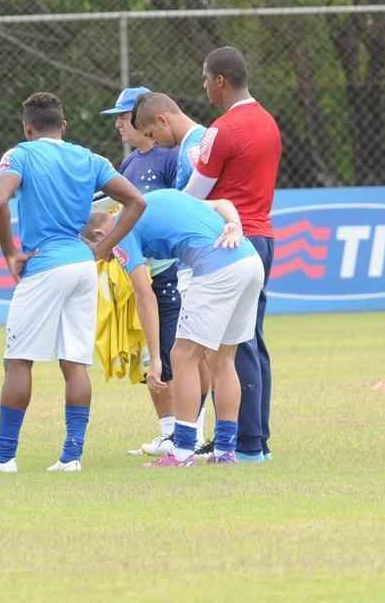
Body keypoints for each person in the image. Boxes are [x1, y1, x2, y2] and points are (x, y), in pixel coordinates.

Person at [0, 92, 146, 473]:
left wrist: (10, 253)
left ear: (27, 128)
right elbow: (136, 202)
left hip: (44, 265)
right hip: (82, 265)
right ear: (64, 125)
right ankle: (71, 456)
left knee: (18, 360)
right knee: (75, 362)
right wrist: (102, 248)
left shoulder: (21, 155)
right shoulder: (90, 158)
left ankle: (3, 456)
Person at [86, 189, 263, 466]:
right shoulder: (157, 199)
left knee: (182, 356)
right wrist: (234, 224)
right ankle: (225, 450)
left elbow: (144, 295)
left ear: (99, 236)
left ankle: (182, 451)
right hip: (249, 260)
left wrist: (156, 359)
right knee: (223, 359)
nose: (105, 260)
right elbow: (222, 203)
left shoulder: (121, 231)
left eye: (96, 253)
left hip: (217, 270)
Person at [189, 47, 281, 462]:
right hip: (262, 237)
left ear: (221, 81)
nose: (205, 86)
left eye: (206, 78)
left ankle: (244, 444)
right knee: (251, 342)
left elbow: (194, 195)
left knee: (231, 346)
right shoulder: (268, 122)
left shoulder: (222, 130)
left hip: (230, 241)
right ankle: (256, 440)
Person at [101, 87, 197, 457]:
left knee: (172, 350)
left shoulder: (170, 157)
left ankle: (186, 432)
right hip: (137, 266)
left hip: (167, 269)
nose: (119, 124)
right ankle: (167, 430)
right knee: (149, 354)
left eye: (124, 116)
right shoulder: (129, 164)